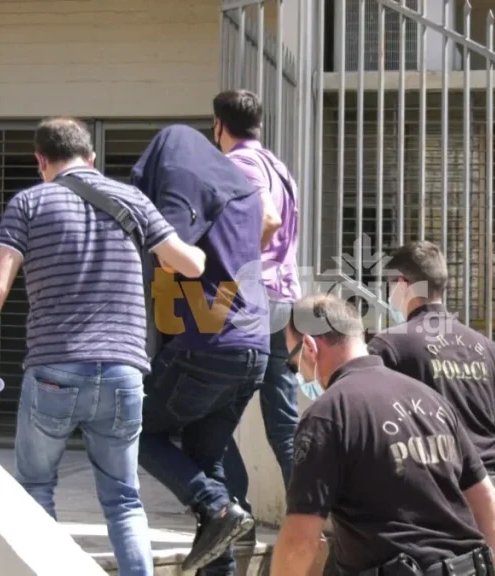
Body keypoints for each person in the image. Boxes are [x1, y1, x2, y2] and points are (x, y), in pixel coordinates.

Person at [0, 117, 207, 576]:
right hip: (124, 369)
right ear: (92, 158)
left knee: (35, 489)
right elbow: (190, 265)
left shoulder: (29, 202)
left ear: (40, 161)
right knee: (124, 500)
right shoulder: (132, 199)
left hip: (54, 369)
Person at [273, 294, 495, 576]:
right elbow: (485, 497)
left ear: (309, 347)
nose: (299, 375)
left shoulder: (328, 415)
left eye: (294, 364)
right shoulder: (432, 400)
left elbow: (300, 542)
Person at [131, 125, 271, 574]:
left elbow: (171, 252)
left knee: (132, 429)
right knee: (204, 458)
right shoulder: (242, 193)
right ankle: (220, 554)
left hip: (207, 341)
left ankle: (216, 505)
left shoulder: (183, 178)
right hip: (254, 345)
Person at [367, 240, 495, 543]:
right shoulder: (483, 346)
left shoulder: (390, 346)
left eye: (390, 285)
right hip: (490, 489)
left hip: (430, 492)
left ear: (403, 284)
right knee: (480, 564)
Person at [212, 89, 302, 548]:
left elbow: (267, 220)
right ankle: (308, 520)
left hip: (252, 301)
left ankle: (236, 513)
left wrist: (235, 268)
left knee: (208, 413)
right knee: (283, 422)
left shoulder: (239, 163)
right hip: (281, 301)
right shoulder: (276, 165)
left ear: (218, 126)